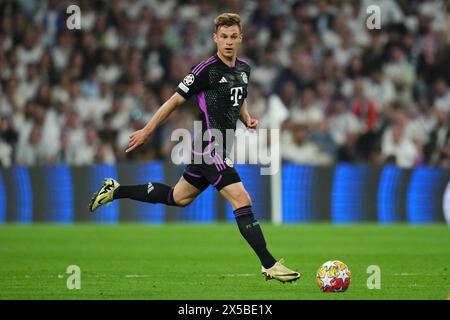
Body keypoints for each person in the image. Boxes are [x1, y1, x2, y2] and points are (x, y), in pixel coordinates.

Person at [89, 13, 300, 283]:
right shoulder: (204, 70)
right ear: (215, 38)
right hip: (208, 145)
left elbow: (240, 98)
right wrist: (147, 130)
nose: (228, 42)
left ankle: (116, 190)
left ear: (241, 38)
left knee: (179, 198)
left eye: (233, 36)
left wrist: (246, 118)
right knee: (242, 199)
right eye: (223, 37)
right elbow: (172, 102)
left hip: (222, 147)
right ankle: (269, 265)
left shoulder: (244, 70)